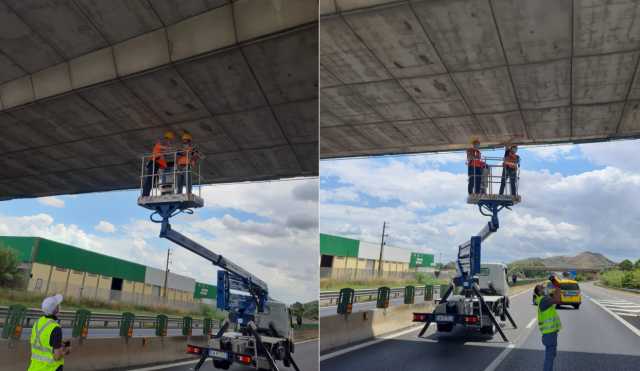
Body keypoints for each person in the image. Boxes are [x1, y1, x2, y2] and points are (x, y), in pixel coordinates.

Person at [28, 294, 70, 371]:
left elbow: (42, 342)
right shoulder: (55, 328)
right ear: (55, 309)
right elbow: (57, 357)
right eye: (58, 305)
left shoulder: (37, 323)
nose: (59, 307)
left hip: (34, 368)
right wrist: (66, 350)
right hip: (51, 368)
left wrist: (58, 342)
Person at [534, 277, 563, 371]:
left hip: (550, 333)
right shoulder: (544, 300)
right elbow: (558, 300)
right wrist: (558, 287)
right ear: (539, 292)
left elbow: (554, 296)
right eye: (542, 288)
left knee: (551, 355)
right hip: (549, 334)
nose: (544, 288)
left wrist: (555, 285)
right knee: (549, 358)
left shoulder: (544, 299)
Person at [142, 131, 175, 197]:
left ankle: (146, 194)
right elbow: (166, 148)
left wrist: (174, 163)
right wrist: (170, 146)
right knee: (150, 179)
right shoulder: (158, 146)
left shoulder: (161, 152)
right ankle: (145, 194)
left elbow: (165, 153)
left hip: (156, 165)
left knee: (152, 181)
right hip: (153, 164)